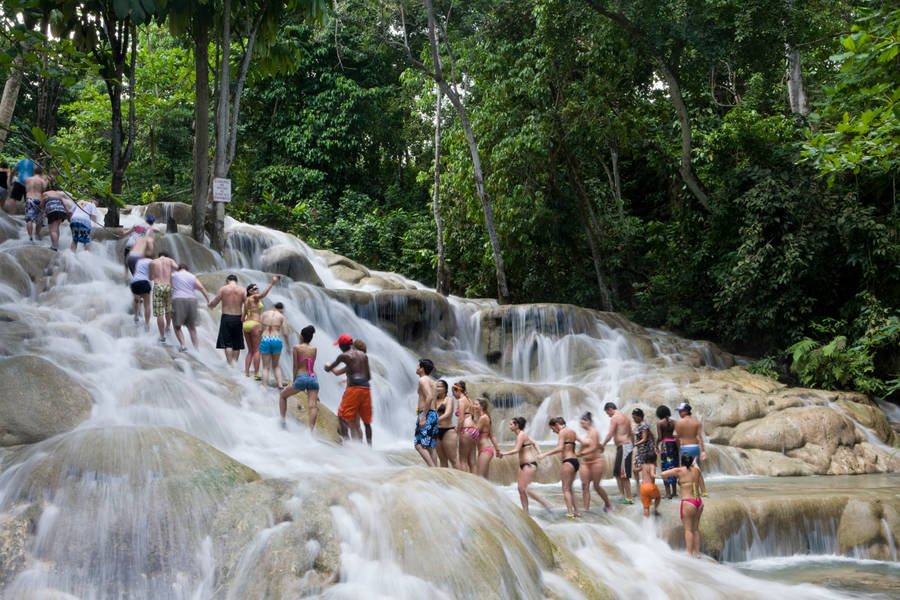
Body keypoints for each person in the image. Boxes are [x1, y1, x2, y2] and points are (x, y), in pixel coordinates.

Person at [325, 334, 373, 445]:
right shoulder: (364, 356)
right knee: (365, 422)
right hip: (365, 388)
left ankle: (347, 446)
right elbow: (368, 376)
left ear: (342, 345)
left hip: (353, 389)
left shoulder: (344, 356)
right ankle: (369, 448)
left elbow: (329, 368)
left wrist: (327, 366)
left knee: (342, 417)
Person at [498, 416, 552, 515]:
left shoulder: (521, 435)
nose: (509, 426)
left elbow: (516, 450)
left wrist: (503, 454)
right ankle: (526, 513)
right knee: (520, 489)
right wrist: (539, 453)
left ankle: (545, 503)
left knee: (525, 488)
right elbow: (534, 443)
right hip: (523, 465)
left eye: (511, 424)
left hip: (529, 464)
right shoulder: (522, 435)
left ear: (516, 425)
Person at [661, 454, 704, 557]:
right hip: (699, 502)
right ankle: (697, 553)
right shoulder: (697, 470)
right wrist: (694, 463)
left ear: (682, 461)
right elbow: (696, 466)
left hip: (688, 502)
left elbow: (663, 474)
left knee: (688, 530)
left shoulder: (679, 470)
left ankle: (689, 554)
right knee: (696, 529)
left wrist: (672, 471)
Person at [539, 416, 581, 518]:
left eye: (553, 429)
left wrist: (545, 454)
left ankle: (570, 513)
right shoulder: (572, 432)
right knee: (570, 488)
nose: (553, 432)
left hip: (567, 462)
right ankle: (577, 511)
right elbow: (583, 443)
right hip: (575, 461)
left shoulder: (562, 432)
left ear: (557, 425)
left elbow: (560, 448)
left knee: (565, 488)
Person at [279, 325, 320, 428]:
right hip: (312, 378)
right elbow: (311, 365)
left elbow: (295, 366)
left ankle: (282, 421)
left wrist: (294, 381)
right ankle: (310, 431)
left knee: (283, 396)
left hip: (301, 377)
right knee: (312, 405)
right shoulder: (314, 349)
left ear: (301, 337)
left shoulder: (297, 348)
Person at [241, 276, 279, 380]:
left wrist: (245, 326)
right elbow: (263, 295)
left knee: (250, 351)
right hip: (255, 324)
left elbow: (242, 317)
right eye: (254, 288)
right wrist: (272, 283)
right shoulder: (254, 297)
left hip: (246, 325)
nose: (257, 290)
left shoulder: (246, 301)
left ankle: (246, 372)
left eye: (257, 288)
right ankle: (256, 375)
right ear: (249, 291)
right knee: (257, 350)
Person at [576, 412, 612, 513]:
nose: (581, 425)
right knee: (584, 485)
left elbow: (594, 447)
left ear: (588, 421)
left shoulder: (594, 432)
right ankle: (586, 509)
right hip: (585, 463)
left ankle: (608, 503)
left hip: (596, 462)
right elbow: (581, 448)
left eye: (583, 423)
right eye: (581, 423)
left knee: (596, 486)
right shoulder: (585, 435)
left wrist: (581, 453)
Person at [209, 274, 247, 366]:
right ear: (236, 281)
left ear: (227, 281)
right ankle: (236, 364)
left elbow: (216, 301)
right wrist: (245, 317)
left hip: (226, 317)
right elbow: (247, 304)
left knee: (227, 343)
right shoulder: (243, 290)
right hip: (238, 317)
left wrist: (211, 305)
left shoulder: (223, 289)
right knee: (237, 343)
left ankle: (230, 365)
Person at [171, 263, 210, 351]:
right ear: (187, 269)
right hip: (192, 301)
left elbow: (169, 286)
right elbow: (201, 288)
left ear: (178, 269)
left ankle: (183, 345)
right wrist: (208, 300)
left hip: (178, 300)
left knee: (177, 326)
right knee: (192, 327)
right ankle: (196, 349)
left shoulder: (174, 275)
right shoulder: (192, 276)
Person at [600, 402, 634, 504]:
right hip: (624, 447)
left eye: (608, 413)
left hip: (624, 447)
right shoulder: (626, 418)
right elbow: (631, 433)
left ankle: (628, 497)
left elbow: (610, 433)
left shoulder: (615, 417)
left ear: (610, 409)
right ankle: (621, 495)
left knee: (624, 474)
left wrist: (602, 445)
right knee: (617, 473)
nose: (608, 415)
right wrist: (634, 444)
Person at [675, 402, 708, 496]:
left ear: (686, 411)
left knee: (685, 470)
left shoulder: (679, 423)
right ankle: (704, 491)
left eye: (680, 411)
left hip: (684, 448)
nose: (679, 413)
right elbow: (700, 438)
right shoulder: (697, 422)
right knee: (697, 470)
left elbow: (678, 437)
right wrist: (703, 452)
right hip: (695, 447)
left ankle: (690, 492)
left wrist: (678, 450)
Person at [414, 358, 439, 467]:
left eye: (418, 365)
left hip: (427, 414)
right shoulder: (432, 381)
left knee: (418, 445)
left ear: (422, 369)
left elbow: (429, 397)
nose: (416, 367)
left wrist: (423, 416)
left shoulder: (423, 380)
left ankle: (432, 469)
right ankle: (436, 471)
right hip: (433, 414)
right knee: (430, 446)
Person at [149, 251, 178, 342]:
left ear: (159, 255)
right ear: (167, 256)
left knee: (159, 313)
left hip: (158, 286)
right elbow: (178, 269)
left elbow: (150, 277)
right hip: (168, 286)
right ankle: (168, 326)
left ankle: (162, 336)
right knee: (168, 308)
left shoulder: (153, 262)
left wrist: (155, 276)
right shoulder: (170, 260)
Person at [258, 302, 289, 386]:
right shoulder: (281, 317)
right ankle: (280, 385)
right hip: (276, 340)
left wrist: (258, 340)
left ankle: (264, 386)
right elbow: (285, 333)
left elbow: (260, 330)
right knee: (276, 366)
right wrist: (288, 346)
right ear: (281, 309)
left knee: (265, 367)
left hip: (265, 339)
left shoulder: (264, 314)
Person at [472, 396, 500, 479]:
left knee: (479, 477)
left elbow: (475, 432)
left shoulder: (483, 418)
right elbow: (492, 435)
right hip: (486, 450)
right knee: (484, 478)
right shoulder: (487, 417)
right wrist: (497, 450)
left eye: (476, 404)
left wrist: (471, 422)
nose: (474, 406)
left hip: (485, 450)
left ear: (482, 406)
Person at [656, 405, 680, 499]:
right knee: (673, 467)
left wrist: (656, 444)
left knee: (665, 469)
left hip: (665, 446)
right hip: (674, 445)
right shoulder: (675, 422)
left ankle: (668, 494)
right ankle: (674, 492)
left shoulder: (660, 423)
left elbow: (660, 437)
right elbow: (676, 435)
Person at [453, 381, 477, 473]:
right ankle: (475, 483)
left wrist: (458, 431)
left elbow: (461, 418)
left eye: (453, 392)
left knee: (462, 461)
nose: (454, 395)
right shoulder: (469, 400)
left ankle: (466, 486)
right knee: (472, 462)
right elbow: (473, 417)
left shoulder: (461, 400)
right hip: (474, 430)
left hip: (466, 430)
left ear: (458, 391)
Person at [434, 380, 459, 469]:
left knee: (453, 460)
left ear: (446, 389)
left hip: (448, 430)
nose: (438, 388)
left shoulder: (449, 400)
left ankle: (462, 480)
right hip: (436, 431)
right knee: (442, 460)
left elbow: (447, 413)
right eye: (436, 386)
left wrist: (435, 420)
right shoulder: (433, 400)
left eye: (440, 386)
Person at [632, 408, 656, 487]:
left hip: (645, 450)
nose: (634, 419)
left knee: (642, 468)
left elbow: (644, 439)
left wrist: (635, 444)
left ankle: (650, 486)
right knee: (635, 469)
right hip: (641, 449)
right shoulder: (641, 425)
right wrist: (654, 444)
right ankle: (639, 486)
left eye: (635, 418)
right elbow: (652, 435)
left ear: (640, 417)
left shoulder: (643, 425)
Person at [130, 248, 153, 329]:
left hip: (134, 281)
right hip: (144, 282)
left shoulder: (138, 261)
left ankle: (136, 317)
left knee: (136, 300)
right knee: (147, 305)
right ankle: (147, 324)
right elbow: (151, 275)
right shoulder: (151, 261)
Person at [24, 166, 48, 242]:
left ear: (34, 172)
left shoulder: (28, 179)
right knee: (40, 219)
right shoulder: (41, 181)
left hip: (29, 199)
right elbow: (44, 191)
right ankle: (36, 234)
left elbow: (26, 190)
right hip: (38, 200)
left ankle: (30, 236)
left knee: (29, 219)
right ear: (41, 173)